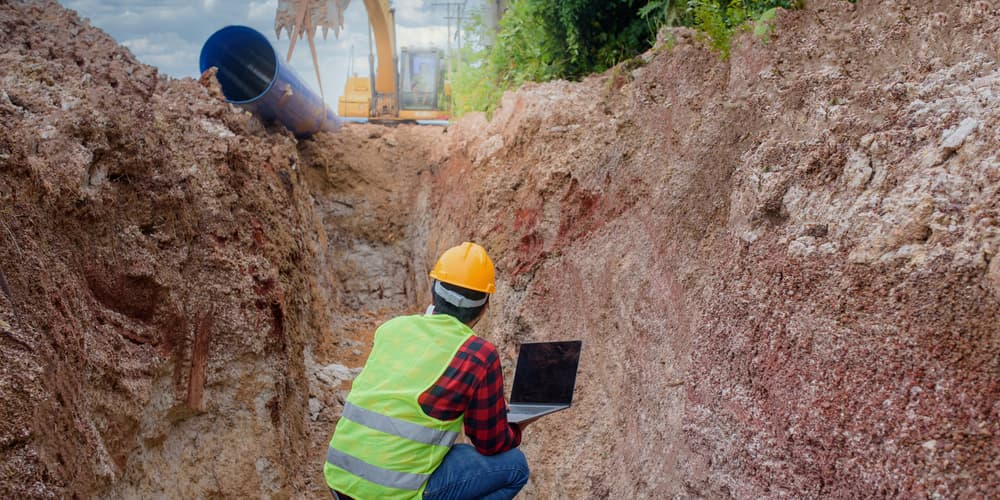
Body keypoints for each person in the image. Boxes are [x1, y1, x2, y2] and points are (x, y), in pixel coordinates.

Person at [323, 242, 532, 500]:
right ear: (484, 307)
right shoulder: (479, 355)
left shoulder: (392, 328)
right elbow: (490, 443)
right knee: (515, 467)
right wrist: (515, 425)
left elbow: (409, 395)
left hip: (340, 480)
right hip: (389, 493)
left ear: (434, 292)